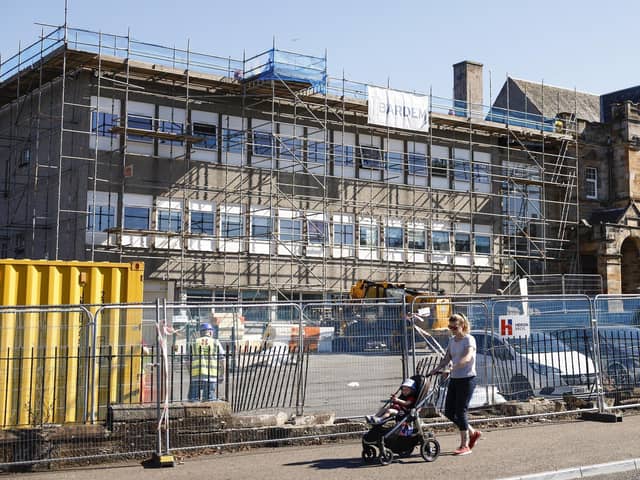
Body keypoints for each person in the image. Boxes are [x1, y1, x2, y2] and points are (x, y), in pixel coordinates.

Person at [428, 313, 481, 456]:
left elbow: (467, 357)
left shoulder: (469, 339)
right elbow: (447, 358)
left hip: (467, 379)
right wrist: (437, 369)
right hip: (455, 379)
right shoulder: (452, 341)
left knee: (460, 410)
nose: (452, 330)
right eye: (450, 327)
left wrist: (452, 368)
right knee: (449, 412)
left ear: (462, 326)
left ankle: (465, 445)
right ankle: (472, 432)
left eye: (455, 327)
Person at [188, 322, 225, 401]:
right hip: (211, 376)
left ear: (200, 333)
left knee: (194, 400)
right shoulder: (215, 342)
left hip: (196, 376)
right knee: (209, 400)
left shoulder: (194, 342)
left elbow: (187, 361)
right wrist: (221, 374)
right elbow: (222, 360)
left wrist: (190, 374)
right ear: (211, 332)